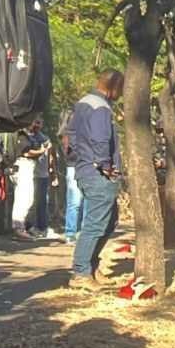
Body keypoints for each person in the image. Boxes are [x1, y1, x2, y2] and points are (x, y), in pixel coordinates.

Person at [69, 70, 125, 291]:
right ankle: (81, 272)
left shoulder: (82, 103)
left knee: (109, 221)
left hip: (84, 169)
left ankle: (90, 266)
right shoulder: (100, 107)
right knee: (95, 223)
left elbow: (71, 136)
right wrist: (105, 165)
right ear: (114, 86)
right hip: (98, 173)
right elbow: (102, 138)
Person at [10, 120, 49, 240]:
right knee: (23, 198)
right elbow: (26, 152)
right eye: (35, 122)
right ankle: (18, 228)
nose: (37, 125)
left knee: (28, 198)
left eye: (39, 123)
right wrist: (41, 151)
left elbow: (44, 142)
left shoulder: (34, 135)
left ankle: (24, 227)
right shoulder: (22, 134)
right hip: (23, 165)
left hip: (29, 166)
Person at [60, 110, 84, 243]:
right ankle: (70, 233)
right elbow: (69, 155)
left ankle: (81, 231)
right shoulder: (67, 135)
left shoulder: (85, 133)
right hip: (73, 168)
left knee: (83, 201)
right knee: (74, 202)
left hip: (84, 168)